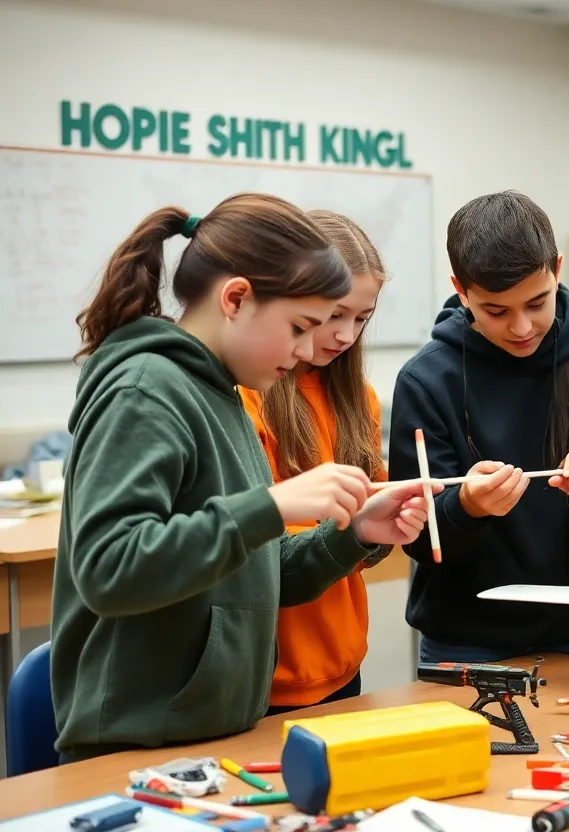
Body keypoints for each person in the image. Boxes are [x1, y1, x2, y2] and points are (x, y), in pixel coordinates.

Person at [50, 194, 437, 763]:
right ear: (235, 298)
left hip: (213, 733)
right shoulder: (144, 389)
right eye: (300, 327)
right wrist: (271, 505)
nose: (310, 349)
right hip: (138, 744)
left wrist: (353, 535)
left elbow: (263, 571)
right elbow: (110, 569)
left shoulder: (222, 393)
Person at [390, 190, 569, 664]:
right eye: (496, 311)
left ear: (556, 269)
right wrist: (466, 506)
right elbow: (417, 539)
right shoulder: (426, 380)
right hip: (464, 642)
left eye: (537, 302)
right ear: (460, 288)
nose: (522, 327)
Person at [240, 210, 389, 714]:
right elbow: (264, 559)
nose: (346, 335)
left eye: (362, 318)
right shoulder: (248, 397)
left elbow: (366, 544)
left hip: (340, 664)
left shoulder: (357, 398)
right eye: (335, 314)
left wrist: (388, 525)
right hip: (264, 672)